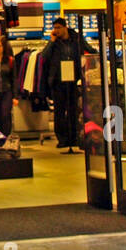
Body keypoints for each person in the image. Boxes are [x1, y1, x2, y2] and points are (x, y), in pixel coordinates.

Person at [40, 17, 86, 150]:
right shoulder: (54, 43)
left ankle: (74, 137)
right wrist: (51, 42)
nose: (56, 30)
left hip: (73, 80)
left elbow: (87, 50)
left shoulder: (76, 39)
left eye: (58, 28)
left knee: (73, 110)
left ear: (65, 27)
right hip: (57, 81)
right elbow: (44, 56)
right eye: (54, 28)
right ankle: (62, 139)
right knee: (59, 111)